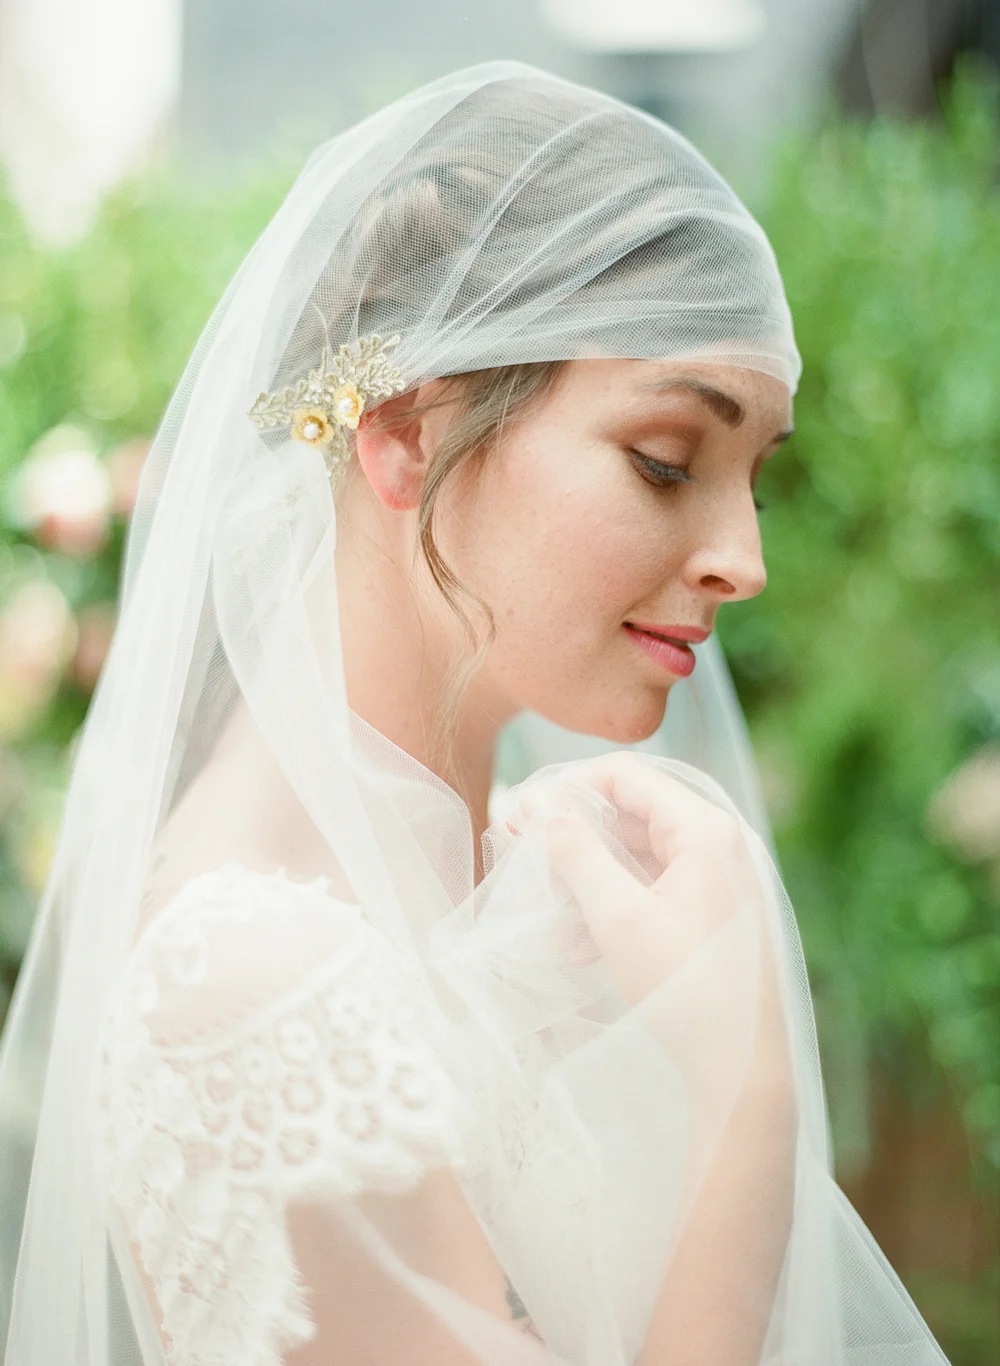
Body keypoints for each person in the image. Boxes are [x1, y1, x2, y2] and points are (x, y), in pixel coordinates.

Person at [0, 62, 950, 1365]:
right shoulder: (254, 989)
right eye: (666, 461)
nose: (745, 560)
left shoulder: (539, 886)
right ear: (404, 431)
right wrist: (745, 1095)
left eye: (755, 482)